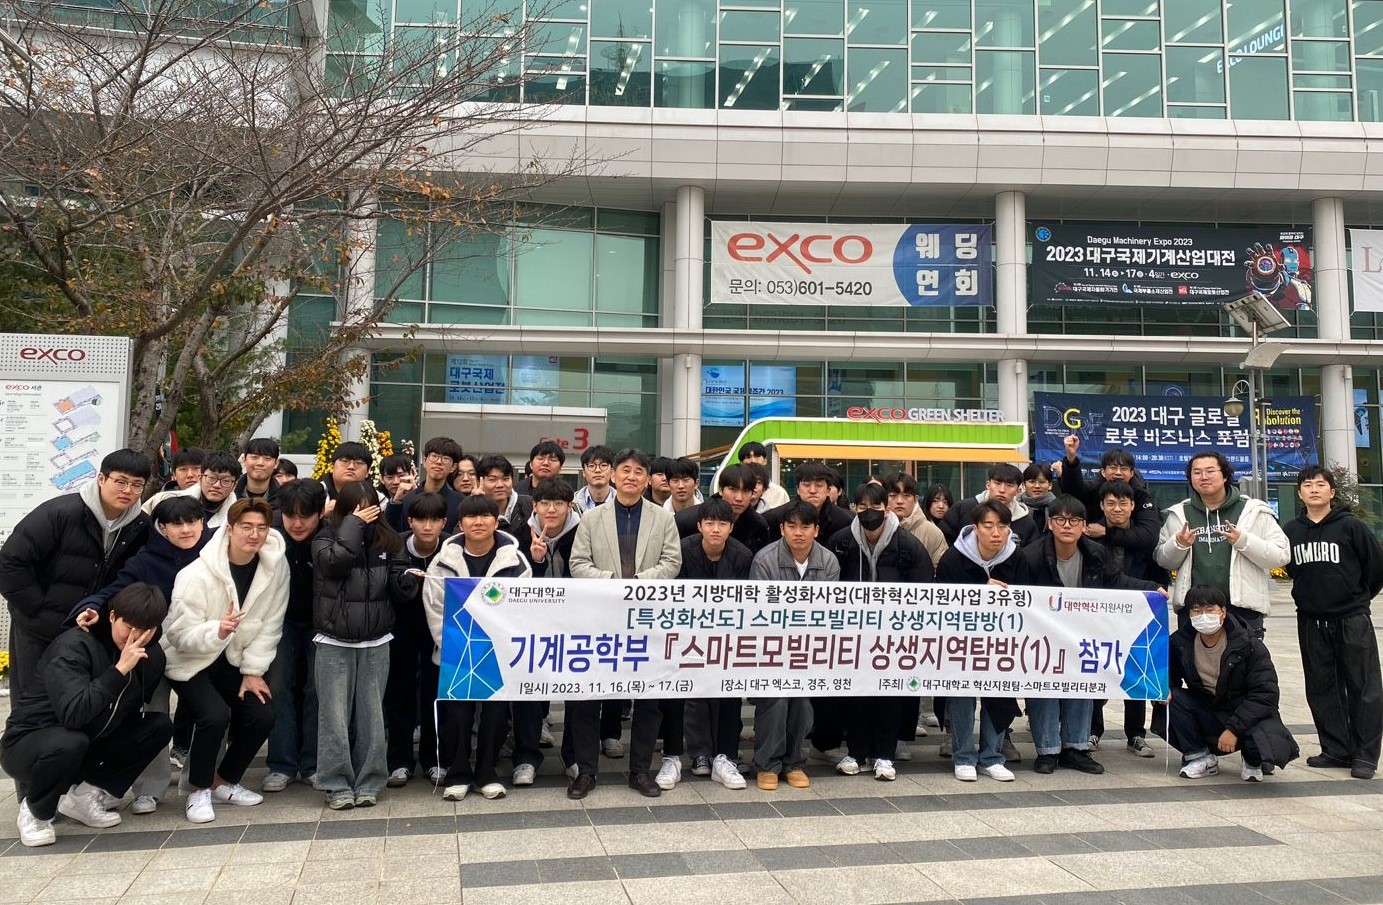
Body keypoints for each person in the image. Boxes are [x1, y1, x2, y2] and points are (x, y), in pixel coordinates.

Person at [67, 494, 208, 815]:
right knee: (152, 713)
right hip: (153, 649)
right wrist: (92, 606)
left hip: (199, 648)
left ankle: (199, 784)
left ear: (202, 522)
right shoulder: (145, 560)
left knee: (211, 713)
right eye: (176, 524)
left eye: (192, 521)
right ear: (162, 528)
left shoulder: (214, 554)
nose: (186, 529)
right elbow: (115, 591)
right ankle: (148, 789)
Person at [1, 583, 173, 847]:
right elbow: (75, 714)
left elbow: (128, 711)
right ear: (112, 616)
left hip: (88, 740)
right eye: (128, 627)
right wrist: (119, 671)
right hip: (30, 744)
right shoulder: (74, 646)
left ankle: (86, 796)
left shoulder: (151, 658)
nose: (134, 637)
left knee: (158, 726)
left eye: (144, 631)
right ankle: (35, 811)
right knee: (71, 741)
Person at [163, 498, 288, 824]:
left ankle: (223, 781)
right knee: (214, 715)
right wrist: (216, 630)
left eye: (261, 527)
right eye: (246, 527)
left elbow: (271, 623)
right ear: (230, 529)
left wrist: (253, 671)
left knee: (262, 714)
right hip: (190, 659)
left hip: (235, 659)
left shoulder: (276, 565)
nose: (254, 534)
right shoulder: (197, 573)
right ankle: (198, 790)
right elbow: (178, 635)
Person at [567, 448, 682, 800]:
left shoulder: (662, 519)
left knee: (648, 697)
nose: (631, 476)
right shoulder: (591, 518)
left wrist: (639, 584)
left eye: (639, 471)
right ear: (614, 476)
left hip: (647, 619)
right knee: (589, 696)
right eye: (625, 470)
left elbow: (672, 562)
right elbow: (578, 563)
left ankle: (640, 771)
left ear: (648, 480)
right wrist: (614, 583)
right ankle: (587, 771)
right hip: (600, 618)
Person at [1018, 495, 1161, 776]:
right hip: (1042, 636)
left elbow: (1116, 581)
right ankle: (1047, 750)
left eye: (1074, 520)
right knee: (1043, 688)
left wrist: (1150, 588)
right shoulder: (1031, 556)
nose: (1067, 525)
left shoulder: (1096, 552)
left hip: (1082, 634)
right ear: (1050, 523)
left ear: (1084, 525)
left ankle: (1076, 748)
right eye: (1060, 519)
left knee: (1082, 685)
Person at [0, 448, 151, 698]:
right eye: (120, 481)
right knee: (32, 702)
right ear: (101, 479)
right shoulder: (60, 512)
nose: (128, 490)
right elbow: (10, 562)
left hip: (90, 631)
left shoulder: (140, 526)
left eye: (137, 485)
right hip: (38, 629)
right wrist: (38, 608)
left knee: (76, 702)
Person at [422, 494, 533, 801]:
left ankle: (487, 772)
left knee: (496, 716)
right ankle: (458, 773)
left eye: (486, 516)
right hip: (456, 652)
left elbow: (523, 608)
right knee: (457, 715)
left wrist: (505, 646)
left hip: (498, 655)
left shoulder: (515, 561)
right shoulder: (443, 561)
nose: (479, 522)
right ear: (460, 524)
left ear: (496, 522)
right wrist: (452, 645)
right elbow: (434, 606)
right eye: (471, 517)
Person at [823, 483, 933, 781]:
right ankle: (856, 752)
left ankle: (885, 754)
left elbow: (923, 589)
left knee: (889, 693)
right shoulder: (842, 541)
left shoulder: (908, 544)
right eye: (862, 507)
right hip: (853, 634)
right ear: (855, 508)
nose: (868, 513)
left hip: (894, 636)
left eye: (875, 507)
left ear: (886, 509)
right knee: (857, 693)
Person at [1284, 465, 1383, 780]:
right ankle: (1336, 750)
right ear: (1299, 493)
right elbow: (1291, 570)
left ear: (1332, 492)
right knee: (1321, 687)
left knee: (1363, 687)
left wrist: (1357, 599)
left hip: (1351, 617)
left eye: (1320, 484)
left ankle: (1365, 755)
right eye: (1307, 484)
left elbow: (1376, 568)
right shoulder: (1291, 531)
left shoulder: (1351, 527)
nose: (1314, 489)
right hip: (1310, 619)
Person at [312, 480, 403, 810]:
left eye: (368, 508)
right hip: (333, 640)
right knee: (334, 717)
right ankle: (335, 783)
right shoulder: (324, 537)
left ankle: (370, 781)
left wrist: (407, 581)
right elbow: (334, 564)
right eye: (354, 509)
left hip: (376, 640)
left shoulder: (388, 540)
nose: (363, 515)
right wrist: (352, 525)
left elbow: (398, 576)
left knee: (372, 716)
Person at [748, 501, 839, 790]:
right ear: (781, 529)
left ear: (816, 530)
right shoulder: (764, 560)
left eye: (805, 527)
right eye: (792, 526)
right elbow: (759, 610)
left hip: (808, 648)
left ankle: (794, 762)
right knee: (775, 702)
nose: (798, 533)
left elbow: (829, 611)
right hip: (771, 646)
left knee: (802, 703)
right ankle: (767, 764)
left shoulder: (828, 562)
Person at [934, 501, 1025, 783]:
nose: (996, 533)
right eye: (988, 526)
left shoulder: (1017, 558)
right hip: (961, 643)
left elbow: (1029, 600)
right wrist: (979, 592)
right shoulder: (953, 558)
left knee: (998, 695)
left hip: (1002, 643)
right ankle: (963, 756)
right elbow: (941, 601)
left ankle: (991, 757)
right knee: (962, 695)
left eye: (1003, 526)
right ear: (975, 528)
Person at [1169, 586, 1298, 781]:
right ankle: (1200, 757)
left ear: (1223, 612)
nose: (1204, 616)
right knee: (1172, 699)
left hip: (1243, 709)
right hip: (1210, 707)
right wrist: (1165, 690)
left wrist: (1233, 730)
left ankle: (1252, 759)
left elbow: (1265, 694)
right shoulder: (1180, 642)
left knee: (1262, 733)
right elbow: (1169, 675)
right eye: (1197, 611)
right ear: (1189, 615)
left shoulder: (1249, 645)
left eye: (1210, 610)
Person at [1155, 450, 1290, 636]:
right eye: (1196, 472)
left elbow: (1281, 555)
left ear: (1225, 475)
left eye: (1210, 471)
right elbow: (1163, 560)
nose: (1203, 477)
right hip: (1194, 609)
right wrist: (1178, 544)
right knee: (1192, 655)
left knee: (1244, 655)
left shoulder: (1253, 511)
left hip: (1242, 608)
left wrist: (1244, 541)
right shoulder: (1179, 514)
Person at [1087, 480, 1171, 756]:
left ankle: (1135, 733)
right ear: (1101, 506)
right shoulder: (1091, 535)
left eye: (1123, 503)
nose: (1117, 509)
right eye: (1111, 503)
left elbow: (1159, 571)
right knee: (1097, 669)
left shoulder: (1144, 537)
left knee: (1135, 669)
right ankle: (1093, 730)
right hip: (1101, 615)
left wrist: (1159, 591)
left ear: (1133, 505)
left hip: (1138, 614)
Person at [678, 499, 753, 789]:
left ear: (731, 528)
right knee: (696, 694)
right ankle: (699, 753)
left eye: (722, 524)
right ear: (699, 526)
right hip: (692, 635)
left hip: (729, 636)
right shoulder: (684, 551)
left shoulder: (742, 556)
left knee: (729, 694)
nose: (716, 529)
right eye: (709, 523)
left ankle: (727, 753)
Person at [263, 479, 327, 793]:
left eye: (306, 516)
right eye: (290, 516)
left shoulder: (330, 537)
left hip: (321, 623)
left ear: (320, 513)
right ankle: (281, 764)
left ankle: (313, 763)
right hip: (280, 621)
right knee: (278, 686)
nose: (297, 524)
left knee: (317, 688)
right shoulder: (270, 536)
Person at [384, 492, 448, 789]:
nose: (427, 526)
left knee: (435, 693)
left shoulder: (451, 547)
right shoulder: (395, 545)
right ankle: (399, 761)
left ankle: (434, 759)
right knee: (400, 693)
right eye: (421, 519)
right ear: (410, 521)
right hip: (402, 626)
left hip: (439, 629)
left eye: (434, 520)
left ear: (444, 522)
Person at [674, 464, 770, 554]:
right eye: (733, 489)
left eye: (746, 491)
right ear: (721, 489)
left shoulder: (758, 526)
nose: (739, 498)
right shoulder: (687, 520)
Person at [940, 463, 1039, 547]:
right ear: (988, 484)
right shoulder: (963, 509)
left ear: (1018, 491)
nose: (1002, 490)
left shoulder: (1025, 521)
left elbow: (1030, 555)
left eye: (1009, 485)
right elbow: (944, 543)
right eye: (997, 483)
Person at [386, 437, 463, 534]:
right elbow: (393, 534)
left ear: (453, 467)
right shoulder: (407, 499)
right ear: (425, 461)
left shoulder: (460, 502)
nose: (438, 462)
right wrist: (395, 503)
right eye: (434, 456)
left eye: (445, 458)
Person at [144, 450, 240, 528]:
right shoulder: (163, 500)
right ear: (200, 478)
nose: (217, 485)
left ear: (234, 486)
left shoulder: (240, 516)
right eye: (212, 478)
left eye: (226, 481)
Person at [763, 461, 853, 541]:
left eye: (819, 485)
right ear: (798, 489)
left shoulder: (845, 521)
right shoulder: (775, 519)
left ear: (828, 490)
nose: (812, 491)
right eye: (806, 485)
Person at [883, 471, 948, 567]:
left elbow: (940, 570)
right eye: (893, 495)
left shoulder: (933, 533)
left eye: (906, 496)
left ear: (915, 499)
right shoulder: (875, 529)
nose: (899, 501)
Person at [478, 454, 534, 535]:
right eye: (492, 479)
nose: (500, 485)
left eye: (505, 479)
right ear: (479, 481)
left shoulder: (529, 504)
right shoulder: (471, 508)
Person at [321, 441, 372, 509]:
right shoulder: (315, 494)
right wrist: (322, 513)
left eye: (359, 463)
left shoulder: (379, 500)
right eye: (345, 461)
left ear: (368, 471)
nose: (351, 467)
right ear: (332, 467)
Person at [738, 442, 789, 509]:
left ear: (765, 460)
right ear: (741, 463)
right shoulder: (734, 489)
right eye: (748, 457)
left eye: (757, 456)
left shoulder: (779, 493)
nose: (753, 460)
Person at [235, 437, 282, 509]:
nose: (260, 463)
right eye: (254, 457)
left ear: (276, 463)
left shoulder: (285, 499)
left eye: (267, 458)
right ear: (244, 460)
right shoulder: (229, 494)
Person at [574, 445, 615, 511]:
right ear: (584, 472)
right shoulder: (571, 505)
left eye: (603, 465)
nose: (597, 470)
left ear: (612, 471)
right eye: (591, 466)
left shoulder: (624, 503)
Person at [1019, 463, 1056, 535]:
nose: (1037, 486)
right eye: (1032, 482)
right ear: (1024, 485)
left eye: (1042, 482)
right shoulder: (1016, 508)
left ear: (1050, 485)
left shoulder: (1058, 508)